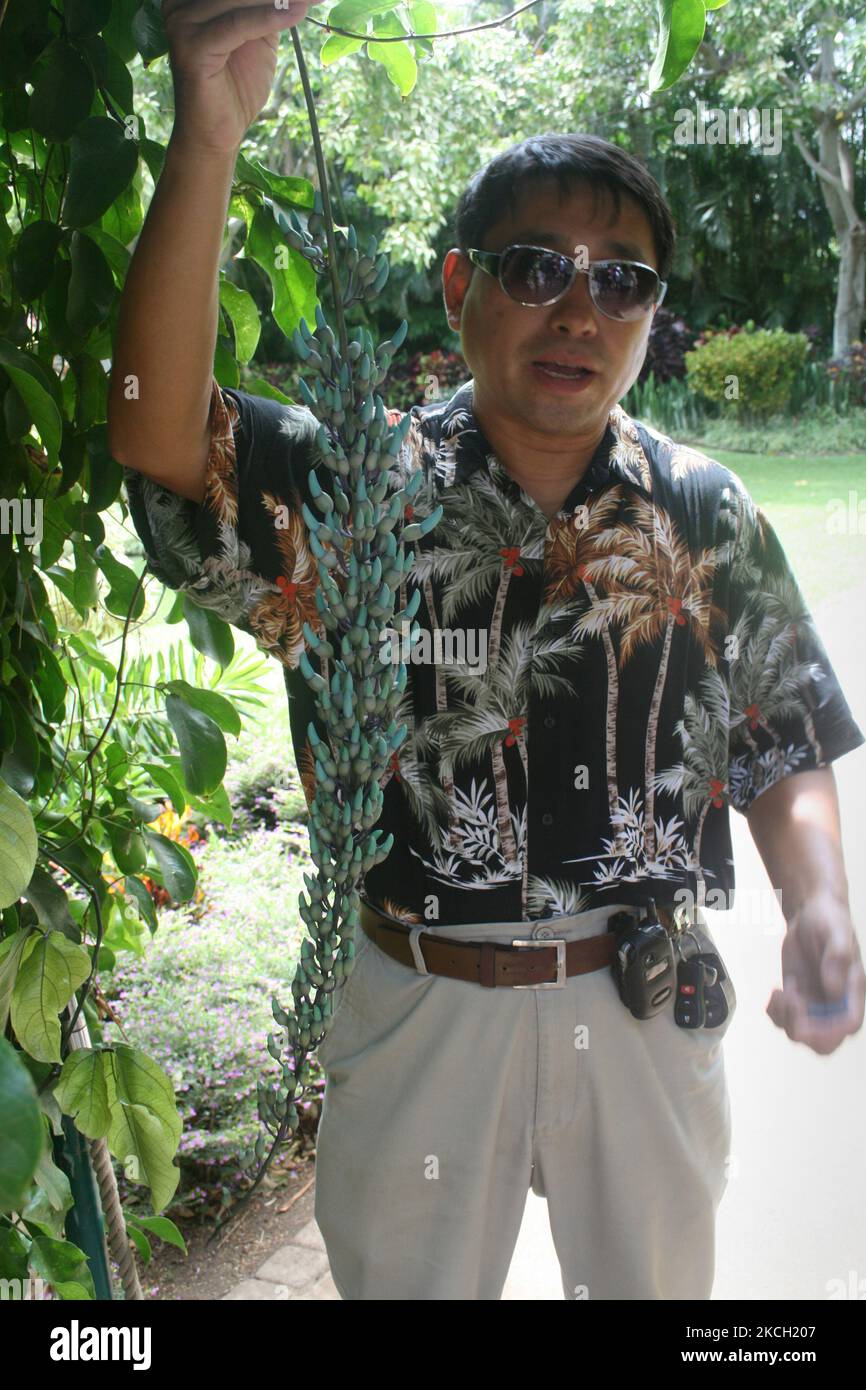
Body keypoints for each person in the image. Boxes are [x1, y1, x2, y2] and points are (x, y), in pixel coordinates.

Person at [111, 1, 866, 1300]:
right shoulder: (354, 489)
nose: (579, 307)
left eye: (620, 279)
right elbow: (151, 430)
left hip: (642, 1001)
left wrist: (817, 901)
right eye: (537, 266)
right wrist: (207, 140)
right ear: (460, 286)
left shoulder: (701, 510)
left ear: (648, 316)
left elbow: (781, 731)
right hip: (418, 1002)